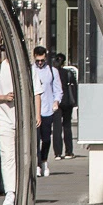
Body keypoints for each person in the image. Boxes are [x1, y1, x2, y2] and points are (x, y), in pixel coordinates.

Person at [0, 50, 24, 205]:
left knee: (22, 155)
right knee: (7, 154)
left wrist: (37, 115)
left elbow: (36, 92)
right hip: (3, 117)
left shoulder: (26, 69)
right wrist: (4, 97)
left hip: (23, 118)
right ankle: (11, 192)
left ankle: (22, 188)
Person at [31, 46, 63, 176]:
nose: (40, 63)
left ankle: (44, 160)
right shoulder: (30, 70)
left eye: (42, 60)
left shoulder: (52, 71)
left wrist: (56, 101)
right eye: (37, 60)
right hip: (34, 110)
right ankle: (37, 164)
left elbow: (58, 89)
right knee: (35, 138)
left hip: (47, 109)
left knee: (46, 139)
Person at [54, 52, 80, 159]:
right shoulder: (68, 73)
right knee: (67, 126)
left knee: (57, 127)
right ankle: (69, 151)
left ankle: (58, 153)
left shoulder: (53, 73)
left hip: (56, 102)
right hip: (67, 102)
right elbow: (74, 87)